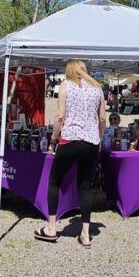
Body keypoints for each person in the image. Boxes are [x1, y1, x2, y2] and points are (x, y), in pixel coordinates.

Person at [35, 60, 105, 249]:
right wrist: (99, 139)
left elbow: (60, 116)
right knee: (85, 185)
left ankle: (51, 228)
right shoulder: (97, 88)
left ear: (69, 71)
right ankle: (85, 234)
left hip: (70, 139)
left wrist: (53, 140)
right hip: (91, 142)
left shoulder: (66, 86)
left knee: (54, 181)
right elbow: (102, 118)